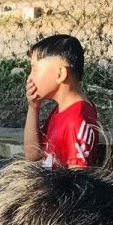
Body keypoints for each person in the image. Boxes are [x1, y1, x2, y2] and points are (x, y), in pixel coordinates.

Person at [23, 34, 102, 170]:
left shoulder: (76, 120)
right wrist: (33, 107)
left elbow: (79, 181)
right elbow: (33, 153)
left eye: (35, 69)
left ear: (60, 74)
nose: (30, 77)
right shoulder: (63, 109)